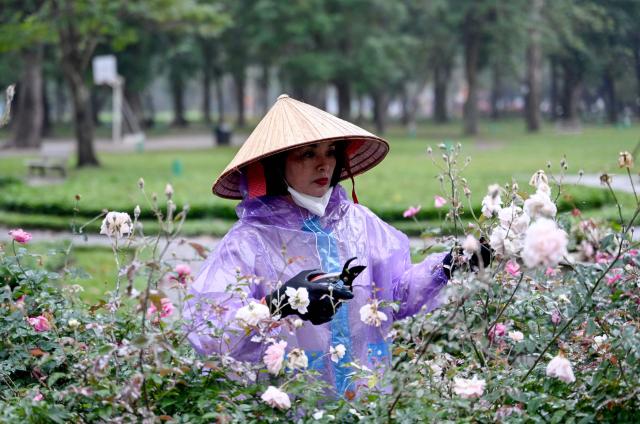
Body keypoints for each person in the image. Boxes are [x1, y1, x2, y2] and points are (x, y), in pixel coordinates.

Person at [184, 94, 452, 397]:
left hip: (366, 398)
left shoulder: (359, 223)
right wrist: (276, 304)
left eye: (331, 152)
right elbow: (209, 331)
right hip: (292, 401)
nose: (324, 164)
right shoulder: (248, 241)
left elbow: (397, 293)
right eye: (308, 155)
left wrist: (445, 265)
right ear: (275, 166)